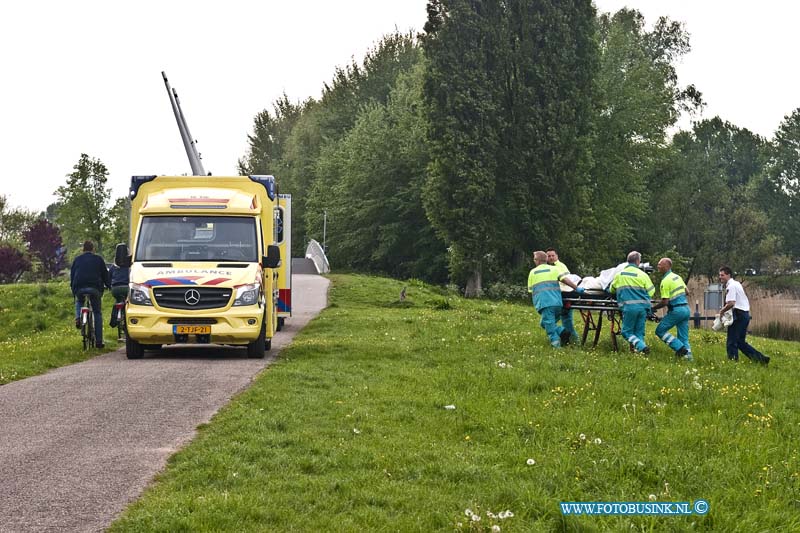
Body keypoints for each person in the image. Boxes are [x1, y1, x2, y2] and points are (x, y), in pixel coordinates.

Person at [528, 250, 584, 348]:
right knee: (544, 323)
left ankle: (557, 346)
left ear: (537, 260)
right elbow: (565, 280)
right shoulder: (554, 269)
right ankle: (562, 332)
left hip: (544, 303)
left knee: (549, 326)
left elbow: (530, 290)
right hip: (558, 303)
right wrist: (576, 288)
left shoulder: (533, 272)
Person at [718, 266, 770, 365]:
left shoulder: (731, 286)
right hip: (745, 314)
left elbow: (731, 303)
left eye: (722, 275)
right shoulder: (737, 283)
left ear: (728, 275)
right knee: (740, 342)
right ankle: (761, 359)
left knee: (732, 341)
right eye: (720, 275)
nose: (720, 277)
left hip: (738, 314)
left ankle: (733, 362)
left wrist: (721, 311)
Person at [609, 251, 654, 354]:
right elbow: (652, 291)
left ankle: (641, 347)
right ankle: (641, 353)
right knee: (639, 333)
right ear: (638, 261)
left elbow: (612, 289)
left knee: (626, 332)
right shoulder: (643, 275)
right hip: (643, 308)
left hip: (629, 308)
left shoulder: (619, 275)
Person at [70, 240, 111, 348]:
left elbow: (72, 276)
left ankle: (78, 317)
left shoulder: (77, 260)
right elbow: (105, 275)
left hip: (79, 288)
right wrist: (109, 286)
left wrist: (73, 290)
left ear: (83, 249)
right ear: (93, 249)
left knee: (79, 301)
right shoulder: (98, 259)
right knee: (97, 313)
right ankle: (99, 341)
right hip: (95, 288)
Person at [651, 258, 692, 361]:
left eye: (660, 264)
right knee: (683, 337)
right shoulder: (677, 277)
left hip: (676, 311)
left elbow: (665, 302)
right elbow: (687, 291)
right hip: (686, 309)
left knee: (660, 330)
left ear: (666, 266)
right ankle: (689, 359)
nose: (658, 266)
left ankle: (679, 348)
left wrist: (653, 308)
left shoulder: (665, 281)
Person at [546, 248, 583, 345]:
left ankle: (571, 339)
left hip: (563, 295)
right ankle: (569, 338)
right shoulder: (549, 267)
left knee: (565, 319)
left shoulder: (560, 266)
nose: (551, 258)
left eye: (552, 255)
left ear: (557, 256)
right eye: (549, 256)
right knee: (565, 319)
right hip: (558, 295)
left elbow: (565, 282)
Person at [108, 243, 131, 330]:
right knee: (128, 304)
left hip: (115, 289)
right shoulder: (130, 265)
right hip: (126, 288)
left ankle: (114, 319)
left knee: (118, 301)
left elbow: (108, 277)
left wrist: (110, 286)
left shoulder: (113, 266)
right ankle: (127, 322)